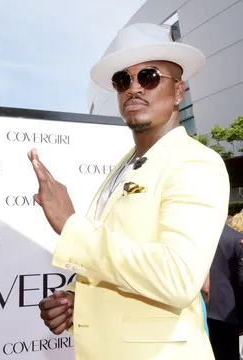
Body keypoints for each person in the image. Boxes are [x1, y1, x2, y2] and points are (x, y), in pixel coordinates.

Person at [28, 23, 230, 360]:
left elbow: (177, 278)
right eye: (123, 80)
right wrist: (76, 298)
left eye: (148, 77)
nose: (133, 88)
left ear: (178, 92)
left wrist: (72, 225)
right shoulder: (122, 169)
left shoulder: (195, 162)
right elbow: (119, 261)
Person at [202, 224, 243, 359]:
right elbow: (241, 280)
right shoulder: (236, 239)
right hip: (227, 312)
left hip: (201, 308)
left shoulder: (199, 237)